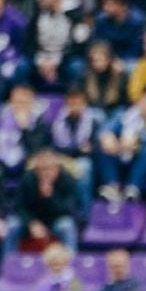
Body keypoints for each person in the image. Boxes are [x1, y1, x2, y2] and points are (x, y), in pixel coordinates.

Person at [97, 84, 146, 200]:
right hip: (120, 152)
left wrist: (136, 140)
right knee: (105, 144)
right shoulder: (123, 114)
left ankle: (132, 188)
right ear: (139, 100)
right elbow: (106, 128)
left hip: (142, 160)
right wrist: (108, 137)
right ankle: (112, 186)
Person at [5, 147, 79, 253]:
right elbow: (20, 207)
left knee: (67, 226)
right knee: (12, 225)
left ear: (57, 168)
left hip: (55, 221)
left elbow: (67, 209)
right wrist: (31, 223)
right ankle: (8, 265)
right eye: (41, 169)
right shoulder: (28, 179)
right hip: (32, 221)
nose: (45, 173)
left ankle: (71, 265)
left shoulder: (67, 180)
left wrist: (50, 197)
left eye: (49, 168)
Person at [49, 88, 100, 219]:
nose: (75, 107)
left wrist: (79, 150)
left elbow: (93, 147)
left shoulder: (93, 120)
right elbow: (55, 146)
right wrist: (77, 149)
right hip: (62, 159)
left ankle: (85, 215)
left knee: (83, 168)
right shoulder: (58, 121)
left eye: (78, 103)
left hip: (83, 160)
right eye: (71, 103)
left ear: (84, 104)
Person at [25, 0, 90, 92]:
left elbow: (80, 45)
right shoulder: (37, 14)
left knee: (77, 66)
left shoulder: (75, 15)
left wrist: (55, 61)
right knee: (22, 67)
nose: (39, 0)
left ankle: (75, 100)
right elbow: (29, 43)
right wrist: (40, 60)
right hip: (42, 58)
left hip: (66, 58)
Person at [92, 0, 146, 66]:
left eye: (110, 5)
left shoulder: (137, 21)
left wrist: (121, 62)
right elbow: (98, 43)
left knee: (132, 67)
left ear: (123, 5)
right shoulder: (101, 20)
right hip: (106, 57)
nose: (105, 8)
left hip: (130, 59)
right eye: (105, 4)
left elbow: (136, 49)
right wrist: (108, 59)